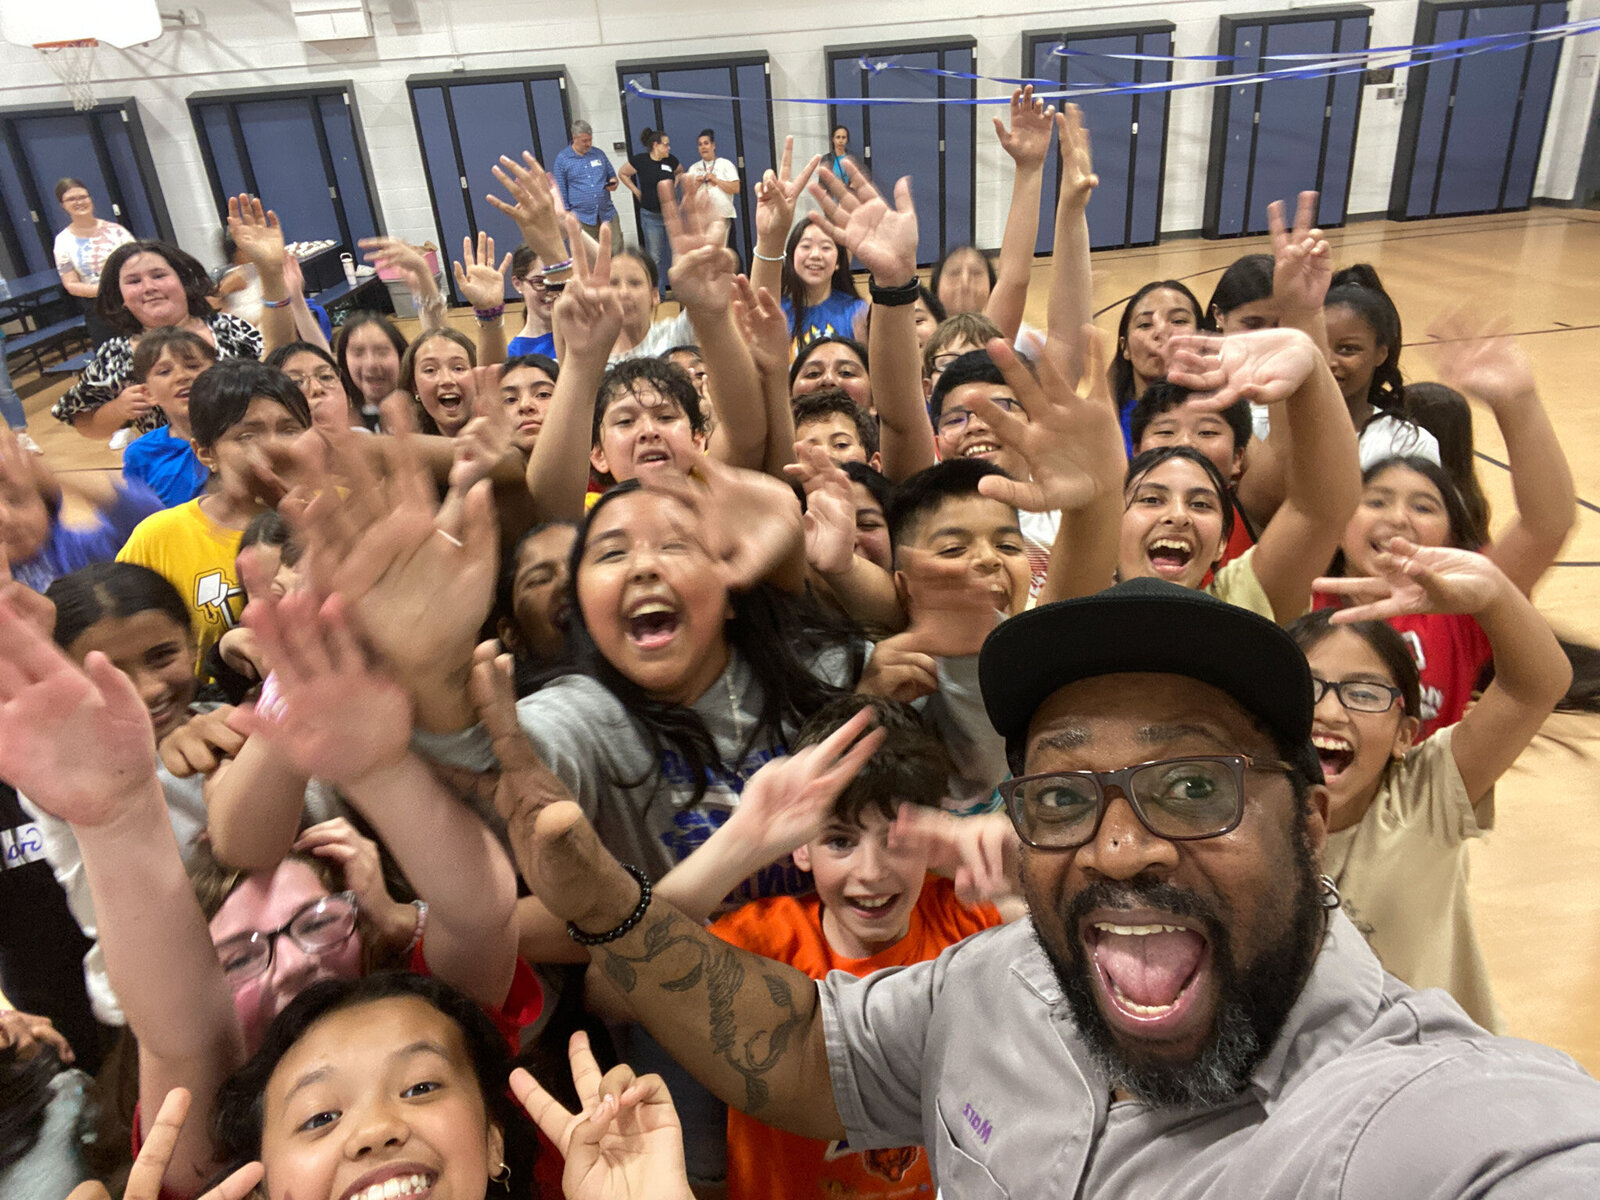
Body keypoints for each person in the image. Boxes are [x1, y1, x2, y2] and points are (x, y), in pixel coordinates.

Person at [507, 578, 1600, 1197]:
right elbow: (798, 1048)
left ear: (1306, 815)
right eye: (1064, 797)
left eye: (1187, 784)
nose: (1120, 849)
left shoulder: (1427, 1125)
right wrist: (609, 902)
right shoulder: (987, 980)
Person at [710, 697, 1006, 1200]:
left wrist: (1010, 862)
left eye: (895, 840)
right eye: (841, 842)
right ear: (800, 846)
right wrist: (742, 843)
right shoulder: (763, 942)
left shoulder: (966, 919)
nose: (870, 873)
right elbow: (614, 982)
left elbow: (1078, 934)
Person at [1292, 542, 1570, 1030]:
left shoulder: (1427, 791)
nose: (1331, 712)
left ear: (1405, 736)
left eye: (1363, 693)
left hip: (1443, 1078)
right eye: (1306, 689)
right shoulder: (1246, 809)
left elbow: (1537, 685)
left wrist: (1494, 595)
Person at [116, 359, 312, 668]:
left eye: (290, 430)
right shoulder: (158, 537)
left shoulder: (339, 513)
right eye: (247, 436)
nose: (275, 447)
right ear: (205, 453)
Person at [119, 329, 217, 508]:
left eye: (193, 366)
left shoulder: (246, 433)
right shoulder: (141, 454)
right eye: (164, 372)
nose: (182, 376)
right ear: (148, 394)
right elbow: (143, 518)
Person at [1109, 280, 1203, 454]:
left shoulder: (1222, 410)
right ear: (1125, 348)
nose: (1162, 332)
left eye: (1179, 321)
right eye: (1145, 324)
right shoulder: (1106, 420)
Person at [52, 177, 134, 348]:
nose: (79, 202)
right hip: (99, 310)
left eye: (83, 197)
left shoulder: (116, 231)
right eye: (71, 199)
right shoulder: (63, 241)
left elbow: (139, 263)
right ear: (63, 205)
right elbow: (71, 284)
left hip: (131, 301)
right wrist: (106, 291)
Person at [620, 128, 682, 297]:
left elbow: (680, 171)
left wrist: (673, 187)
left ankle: (681, 293)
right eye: (666, 145)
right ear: (656, 145)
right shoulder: (640, 161)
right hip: (651, 216)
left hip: (671, 216)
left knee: (677, 254)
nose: (669, 148)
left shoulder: (671, 161)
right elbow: (623, 173)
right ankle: (659, 294)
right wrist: (636, 191)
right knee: (655, 258)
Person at [552, 120, 622, 248]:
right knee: (588, 255)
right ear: (574, 138)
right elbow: (561, 189)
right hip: (581, 216)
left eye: (590, 140)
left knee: (616, 249)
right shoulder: (563, 159)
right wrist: (567, 214)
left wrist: (613, 183)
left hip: (606, 212)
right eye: (584, 141)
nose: (588, 144)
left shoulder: (599, 154)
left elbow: (612, 175)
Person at [687, 129, 741, 249]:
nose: (703, 147)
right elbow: (687, 196)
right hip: (702, 220)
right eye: (700, 144)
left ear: (713, 145)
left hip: (723, 217)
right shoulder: (693, 168)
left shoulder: (726, 164)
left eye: (706, 143)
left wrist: (717, 180)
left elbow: (736, 188)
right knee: (706, 254)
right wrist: (696, 184)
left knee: (726, 254)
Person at [507, 245, 557, 360]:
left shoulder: (582, 336)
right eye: (539, 282)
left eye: (556, 281)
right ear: (517, 284)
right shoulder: (515, 354)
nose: (551, 291)